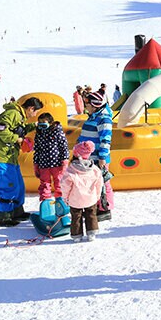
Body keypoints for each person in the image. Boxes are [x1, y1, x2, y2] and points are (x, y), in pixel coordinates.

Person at [0, 97, 43, 227]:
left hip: (10, 156)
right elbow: (1, 129)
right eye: (35, 112)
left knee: (18, 185)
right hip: (0, 156)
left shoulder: (19, 115)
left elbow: (18, 128)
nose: (34, 115)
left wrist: (33, 126)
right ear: (31, 108)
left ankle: (17, 211)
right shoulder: (13, 113)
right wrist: (18, 140)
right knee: (8, 186)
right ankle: (3, 217)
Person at [77, 91, 114, 220]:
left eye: (87, 104)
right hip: (88, 158)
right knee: (92, 183)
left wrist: (102, 157)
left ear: (94, 105)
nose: (85, 106)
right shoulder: (92, 116)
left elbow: (106, 139)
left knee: (103, 183)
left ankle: (105, 209)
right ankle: (94, 207)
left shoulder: (104, 119)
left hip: (98, 158)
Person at [61, 141, 103, 242]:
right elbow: (99, 184)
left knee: (76, 216)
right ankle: (92, 233)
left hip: (76, 199)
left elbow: (65, 185)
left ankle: (77, 235)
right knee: (91, 214)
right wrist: (97, 195)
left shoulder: (71, 170)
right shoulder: (94, 169)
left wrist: (65, 198)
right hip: (90, 198)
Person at [32, 112, 69, 202]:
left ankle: (61, 200)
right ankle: (45, 200)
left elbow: (63, 146)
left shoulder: (57, 132)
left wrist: (65, 160)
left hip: (56, 163)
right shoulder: (39, 134)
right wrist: (36, 163)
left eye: (44, 125)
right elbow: (37, 149)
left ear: (51, 123)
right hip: (43, 163)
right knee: (44, 183)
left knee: (59, 182)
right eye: (39, 125)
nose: (41, 128)